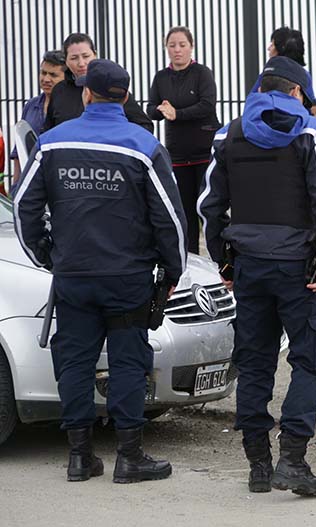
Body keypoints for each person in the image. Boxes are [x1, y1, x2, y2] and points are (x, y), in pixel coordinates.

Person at [13, 59, 186, 484]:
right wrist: (172, 269)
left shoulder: (52, 142)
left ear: (86, 93)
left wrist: (46, 255)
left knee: (74, 360)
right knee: (128, 361)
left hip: (73, 274)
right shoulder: (142, 145)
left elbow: (23, 206)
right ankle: (129, 457)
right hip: (127, 276)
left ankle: (79, 457)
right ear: (125, 97)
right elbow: (170, 218)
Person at [197, 56, 316, 496]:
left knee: (256, 360)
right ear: (298, 92)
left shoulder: (230, 131)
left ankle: (258, 465)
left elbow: (209, 203)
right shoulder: (308, 131)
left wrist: (223, 259)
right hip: (298, 268)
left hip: (248, 265)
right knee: (309, 357)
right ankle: (293, 460)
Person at [147, 26, 221, 254]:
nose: (177, 50)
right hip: (178, 153)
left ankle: (220, 257)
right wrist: (163, 110)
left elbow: (207, 105)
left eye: (182, 45)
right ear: (166, 48)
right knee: (184, 210)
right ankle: (190, 257)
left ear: (191, 46)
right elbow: (151, 109)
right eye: (172, 45)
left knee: (209, 208)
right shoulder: (161, 77)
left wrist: (177, 114)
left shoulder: (202, 73)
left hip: (204, 150)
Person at [45, 33, 153, 133]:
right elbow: (48, 130)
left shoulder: (111, 87)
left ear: (95, 55)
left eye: (86, 56)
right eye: (74, 58)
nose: (81, 63)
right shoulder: (59, 91)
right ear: (66, 61)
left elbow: (145, 126)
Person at [11, 50, 68, 185]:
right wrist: (16, 185)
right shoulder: (31, 105)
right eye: (43, 73)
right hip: (32, 182)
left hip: (61, 180)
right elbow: (19, 150)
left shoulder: (71, 107)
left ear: (66, 78)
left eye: (53, 75)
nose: (46, 79)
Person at [266, 26, 316, 115]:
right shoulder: (304, 75)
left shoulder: (269, 73)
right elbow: (311, 108)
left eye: (272, 44)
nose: (269, 48)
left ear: (281, 49)